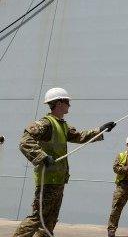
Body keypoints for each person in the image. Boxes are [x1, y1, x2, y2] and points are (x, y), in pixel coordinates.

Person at [13, 87, 115, 237]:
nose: (69, 105)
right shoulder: (45, 123)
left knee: (50, 220)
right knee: (37, 217)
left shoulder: (62, 124)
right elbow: (24, 141)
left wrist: (100, 130)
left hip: (58, 180)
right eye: (67, 101)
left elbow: (79, 136)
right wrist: (42, 156)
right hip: (47, 180)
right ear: (59, 103)